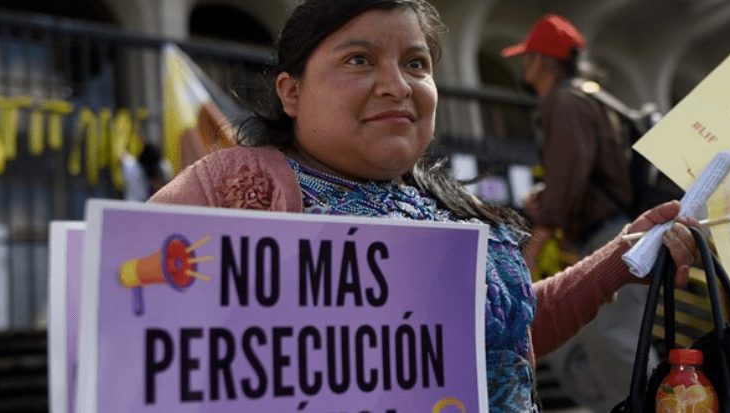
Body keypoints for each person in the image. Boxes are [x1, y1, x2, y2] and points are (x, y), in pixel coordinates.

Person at [148, 1, 701, 411]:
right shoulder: (234, 185)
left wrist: (616, 263)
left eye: (416, 63)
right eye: (360, 59)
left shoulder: (451, 210)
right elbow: (136, 314)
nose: (396, 85)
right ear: (292, 92)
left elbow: (503, 336)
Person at [501, 14, 653, 412]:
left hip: (606, 234)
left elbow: (570, 173)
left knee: (615, 342)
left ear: (542, 60)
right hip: (606, 230)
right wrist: (549, 196)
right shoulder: (588, 96)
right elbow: (580, 173)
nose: (524, 67)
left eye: (527, 57)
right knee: (589, 341)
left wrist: (538, 237)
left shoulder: (565, 101)